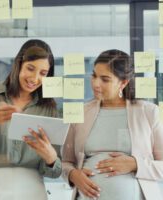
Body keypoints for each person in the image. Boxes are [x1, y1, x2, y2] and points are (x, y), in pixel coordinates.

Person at [0, 39, 61, 200]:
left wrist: (51, 158)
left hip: (32, 191)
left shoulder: (49, 108)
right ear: (18, 64)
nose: (35, 78)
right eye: (30, 68)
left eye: (43, 73)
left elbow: (55, 172)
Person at [61, 49, 163, 200]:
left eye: (105, 79)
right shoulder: (81, 113)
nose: (96, 83)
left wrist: (136, 164)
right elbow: (65, 162)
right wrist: (73, 175)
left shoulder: (148, 112)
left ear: (123, 82)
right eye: (94, 76)